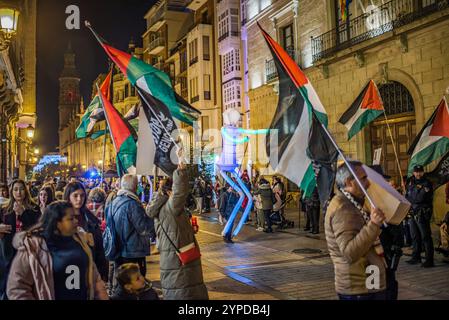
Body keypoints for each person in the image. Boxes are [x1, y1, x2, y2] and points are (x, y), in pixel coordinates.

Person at [6, 201, 108, 300]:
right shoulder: (34, 247)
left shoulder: (80, 239)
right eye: (71, 219)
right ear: (57, 222)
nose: (76, 221)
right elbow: (17, 288)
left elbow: (94, 277)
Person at [146, 149, 208, 300]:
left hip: (171, 261)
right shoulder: (170, 207)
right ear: (168, 193)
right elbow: (180, 191)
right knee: (185, 294)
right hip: (180, 264)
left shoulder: (159, 209)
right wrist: (181, 165)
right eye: (172, 191)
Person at [325, 161, 387, 300]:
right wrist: (373, 224)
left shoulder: (354, 203)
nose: (368, 184)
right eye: (363, 178)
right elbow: (349, 252)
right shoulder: (344, 208)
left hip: (369, 281)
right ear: (349, 182)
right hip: (359, 287)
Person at [109, 174, 155, 279]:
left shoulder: (115, 201)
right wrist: (152, 219)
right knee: (136, 281)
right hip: (133, 251)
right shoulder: (133, 204)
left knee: (123, 281)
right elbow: (144, 228)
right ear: (134, 186)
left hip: (118, 248)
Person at [0, 179, 41, 299]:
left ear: (26, 191)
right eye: (15, 189)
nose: (19, 192)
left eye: (21, 189)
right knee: (8, 286)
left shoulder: (34, 208)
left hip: (27, 252)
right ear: (11, 191)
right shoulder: (4, 209)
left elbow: (37, 229)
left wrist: (23, 213)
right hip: (7, 253)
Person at [64, 182, 109, 281]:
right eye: (75, 195)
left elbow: (98, 246)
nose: (79, 199)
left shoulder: (89, 217)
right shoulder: (60, 217)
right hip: (68, 268)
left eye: (82, 195)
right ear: (68, 196)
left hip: (90, 265)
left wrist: (103, 271)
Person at [405, 165, 434, 268]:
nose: (418, 174)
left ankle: (429, 260)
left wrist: (411, 200)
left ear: (423, 172)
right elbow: (407, 196)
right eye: (416, 172)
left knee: (425, 236)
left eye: (420, 172)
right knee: (414, 236)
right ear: (413, 173)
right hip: (412, 212)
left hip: (421, 212)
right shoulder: (410, 182)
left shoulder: (426, 183)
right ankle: (416, 257)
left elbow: (420, 198)